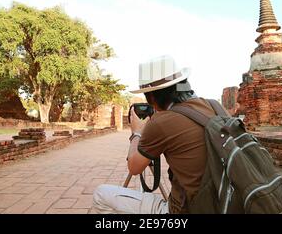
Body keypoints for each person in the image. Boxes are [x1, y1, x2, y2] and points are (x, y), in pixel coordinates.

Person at [92, 55, 219, 214]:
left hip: (188, 210)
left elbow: (134, 167)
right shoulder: (214, 106)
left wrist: (137, 133)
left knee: (101, 194)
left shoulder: (162, 121)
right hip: (227, 203)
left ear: (151, 96)